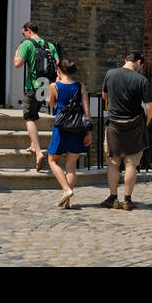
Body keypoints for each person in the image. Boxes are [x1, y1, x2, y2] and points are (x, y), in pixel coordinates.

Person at [100, 49, 152, 211]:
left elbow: (104, 95)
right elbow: (150, 106)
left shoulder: (110, 74)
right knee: (131, 164)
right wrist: (147, 121)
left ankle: (113, 198)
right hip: (135, 125)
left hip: (114, 125)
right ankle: (127, 200)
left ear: (125, 59)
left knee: (113, 164)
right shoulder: (141, 79)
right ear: (138, 62)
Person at [46, 57, 92, 208]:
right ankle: (68, 200)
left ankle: (66, 189)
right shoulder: (80, 86)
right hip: (78, 127)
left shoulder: (55, 85)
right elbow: (87, 111)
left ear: (59, 70)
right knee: (71, 165)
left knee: (52, 160)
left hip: (61, 128)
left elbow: (51, 104)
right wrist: (88, 132)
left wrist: (55, 83)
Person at [13, 22, 58, 171]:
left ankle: (38, 152)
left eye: (23, 33)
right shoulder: (49, 45)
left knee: (29, 117)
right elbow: (57, 64)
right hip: (45, 85)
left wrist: (18, 50)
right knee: (35, 112)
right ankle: (33, 144)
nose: (23, 36)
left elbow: (17, 64)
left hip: (33, 86)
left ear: (28, 30)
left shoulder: (27, 44)